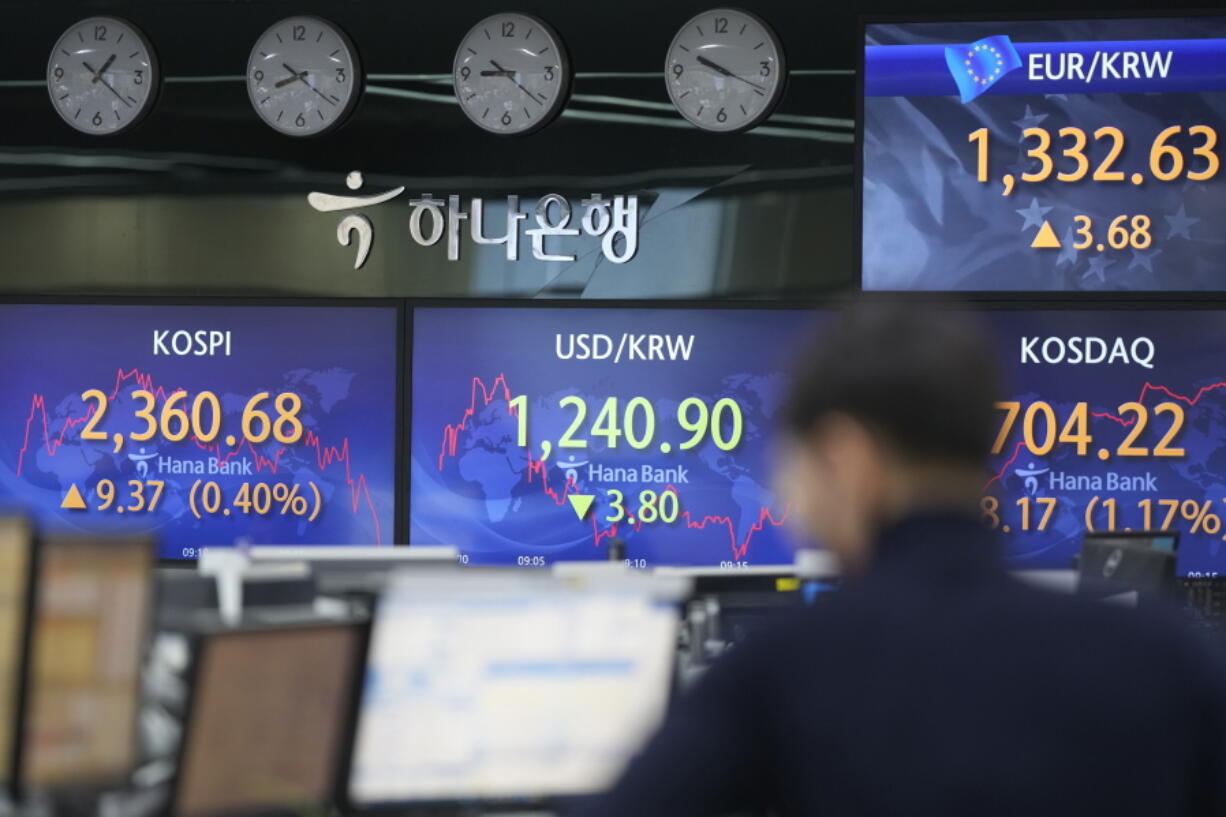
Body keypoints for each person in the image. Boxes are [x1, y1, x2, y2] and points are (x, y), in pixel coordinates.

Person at [584, 302, 1226, 817]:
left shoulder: (787, 668)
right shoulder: (1166, 659)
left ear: (848, 457)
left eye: (791, 461)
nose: (786, 491)